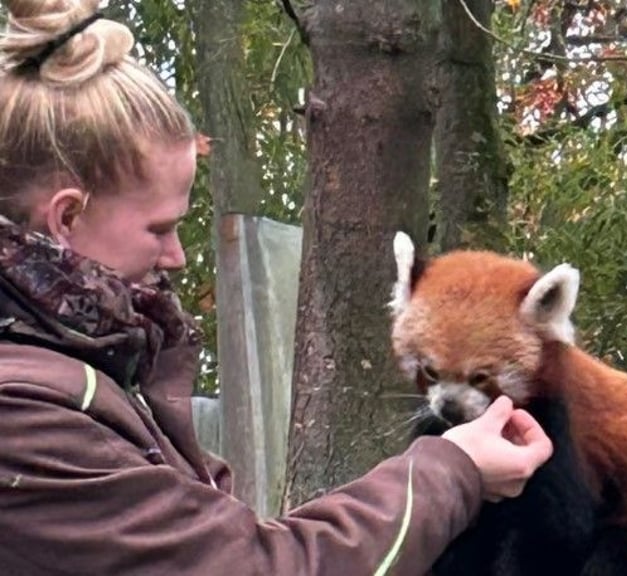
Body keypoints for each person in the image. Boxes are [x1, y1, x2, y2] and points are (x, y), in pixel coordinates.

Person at [0, 1, 553, 575]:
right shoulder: (22, 414)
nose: (178, 256)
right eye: (159, 228)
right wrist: (452, 470)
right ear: (66, 219)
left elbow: (230, 545)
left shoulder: (88, 367)